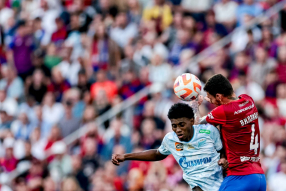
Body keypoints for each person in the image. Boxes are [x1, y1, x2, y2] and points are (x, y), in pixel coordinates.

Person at [112, 103, 228, 191]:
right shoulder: (170, 139)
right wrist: (125, 156)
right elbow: (157, 154)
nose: (178, 130)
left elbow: (222, 149)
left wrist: (223, 158)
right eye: (174, 126)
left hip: (220, 186)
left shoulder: (208, 132)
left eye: (181, 125)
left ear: (192, 121)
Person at [194, 74, 266, 191]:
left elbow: (196, 123)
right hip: (259, 177)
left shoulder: (223, 112)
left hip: (240, 177)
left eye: (211, 98)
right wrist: (215, 100)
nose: (211, 102)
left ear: (218, 96)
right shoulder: (248, 100)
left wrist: (195, 105)